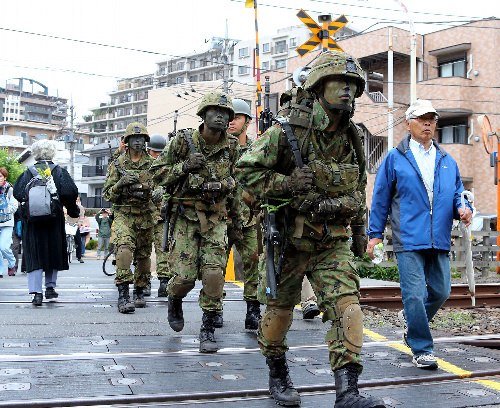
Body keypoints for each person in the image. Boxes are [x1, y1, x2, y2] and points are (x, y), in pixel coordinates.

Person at [236, 51, 386, 408]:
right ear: (319, 87)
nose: (348, 90)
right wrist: (285, 184)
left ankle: (348, 393)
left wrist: (361, 232)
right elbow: (244, 174)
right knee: (277, 314)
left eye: (353, 84)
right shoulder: (286, 132)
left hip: (332, 241)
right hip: (288, 240)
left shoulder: (351, 136)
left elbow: (356, 188)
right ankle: (277, 373)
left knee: (347, 309)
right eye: (340, 82)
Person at [367, 99, 472, 370]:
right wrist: (374, 234)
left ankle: (413, 323)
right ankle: (422, 348)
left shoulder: (446, 160)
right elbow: (380, 198)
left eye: (432, 119)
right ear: (408, 123)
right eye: (422, 119)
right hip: (408, 237)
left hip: (438, 236)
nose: (428, 124)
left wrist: (464, 207)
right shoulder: (395, 157)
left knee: (441, 291)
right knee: (414, 295)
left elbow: (458, 191)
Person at [151, 91, 240, 353]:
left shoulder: (232, 147)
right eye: (216, 111)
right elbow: (157, 174)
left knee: (214, 274)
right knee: (185, 278)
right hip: (186, 217)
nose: (221, 117)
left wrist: (236, 220)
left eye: (226, 113)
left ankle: (208, 328)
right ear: (203, 114)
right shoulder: (183, 142)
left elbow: (238, 183)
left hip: (216, 218)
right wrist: (184, 167)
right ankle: (174, 298)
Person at [13, 139, 80, 306]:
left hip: (32, 222)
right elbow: (70, 193)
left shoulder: (28, 172)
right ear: (52, 153)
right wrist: (73, 211)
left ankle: (36, 293)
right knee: (52, 251)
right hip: (53, 219)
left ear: (35, 154)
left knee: (34, 255)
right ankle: (50, 287)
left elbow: (18, 193)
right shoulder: (58, 172)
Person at [103, 122, 155, 313]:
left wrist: (154, 192)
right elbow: (107, 194)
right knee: (124, 250)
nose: (139, 142)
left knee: (143, 256)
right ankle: (123, 294)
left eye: (142, 138)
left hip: (145, 214)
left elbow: (161, 188)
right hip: (124, 214)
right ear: (127, 141)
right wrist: (121, 184)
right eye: (135, 138)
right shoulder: (117, 165)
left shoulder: (153, 165)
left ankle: (140, 290)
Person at [226, 98, 261, 330]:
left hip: (249, 218)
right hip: (221, 217)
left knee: (252, 263)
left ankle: (253, 309)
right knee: (215, 266)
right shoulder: (218, 149)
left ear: (247, 121)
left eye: (236, 117)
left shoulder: (258, 148)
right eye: (229, 117)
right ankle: (214, 310)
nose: (231, 122)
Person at [146, 134, 172, 298]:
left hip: (162, 215)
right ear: (149, 151)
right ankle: (144, 281)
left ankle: (164, 281)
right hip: (144, 215)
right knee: (143, 251)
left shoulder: (167, 166)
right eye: (155, 152)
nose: (157, 155)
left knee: (163, 249)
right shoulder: (143, 166)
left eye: (160, 152)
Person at [0, 167, 18, 277]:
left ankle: (12, 264)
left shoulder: (10, 189)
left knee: (4, 247)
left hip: (7, 222)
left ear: (5, 177)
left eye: (0, 176)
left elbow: (14, 205)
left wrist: (5, 211)